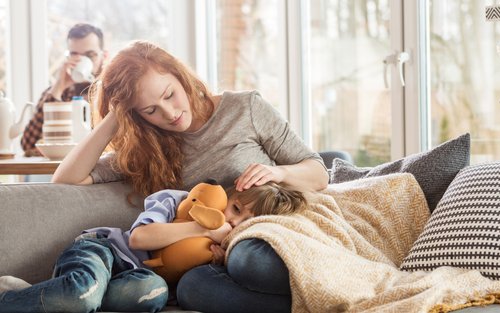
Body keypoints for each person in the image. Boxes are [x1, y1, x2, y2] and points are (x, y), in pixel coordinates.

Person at [51, 40, 328, 312]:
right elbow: (66, 178)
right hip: (214, 259)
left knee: (249, 262)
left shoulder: (245, 109)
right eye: (150, 110)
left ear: (180, 76)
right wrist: (115, 114)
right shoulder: (148, 150)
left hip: (268, 236)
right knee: (191, 289)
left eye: (169, 95)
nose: (169, 113)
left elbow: (318, 174)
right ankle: (314, 303)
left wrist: (277, 172)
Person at [0, 182, 306, 312]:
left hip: (137, 280)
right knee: (83, 294)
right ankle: (19, 298)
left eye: (245, 222)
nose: (233, 222)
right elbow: (139, 239)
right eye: (236, 208)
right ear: (227, 195)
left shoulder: (230, 253)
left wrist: (220, 258)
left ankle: (44, 294)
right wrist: (203, 227)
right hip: (104, 251)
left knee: (152, 295)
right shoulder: (181, 201)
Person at [21, 23, 108, 156]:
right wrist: (58, 87)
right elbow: (28, 144)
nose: (81, 61)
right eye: (75, 55)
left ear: (104, 56)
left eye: (90, 55)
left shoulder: (114, 91)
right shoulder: (60, 92)